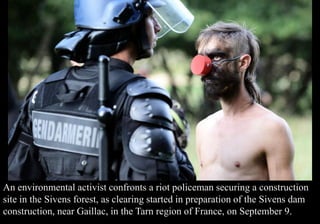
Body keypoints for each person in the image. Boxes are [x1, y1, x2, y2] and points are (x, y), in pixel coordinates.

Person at [8, 0, 196, 181]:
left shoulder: (43, 92)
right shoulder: (142, 98)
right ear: (130, 23)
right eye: (150, 17)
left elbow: (16, 173)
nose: (157, 27)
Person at [191, 21, 295, 180]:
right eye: (202, 58)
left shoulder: (272, 128)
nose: (205, 68)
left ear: (243, 63)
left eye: (217, 57)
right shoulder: (203, 128)